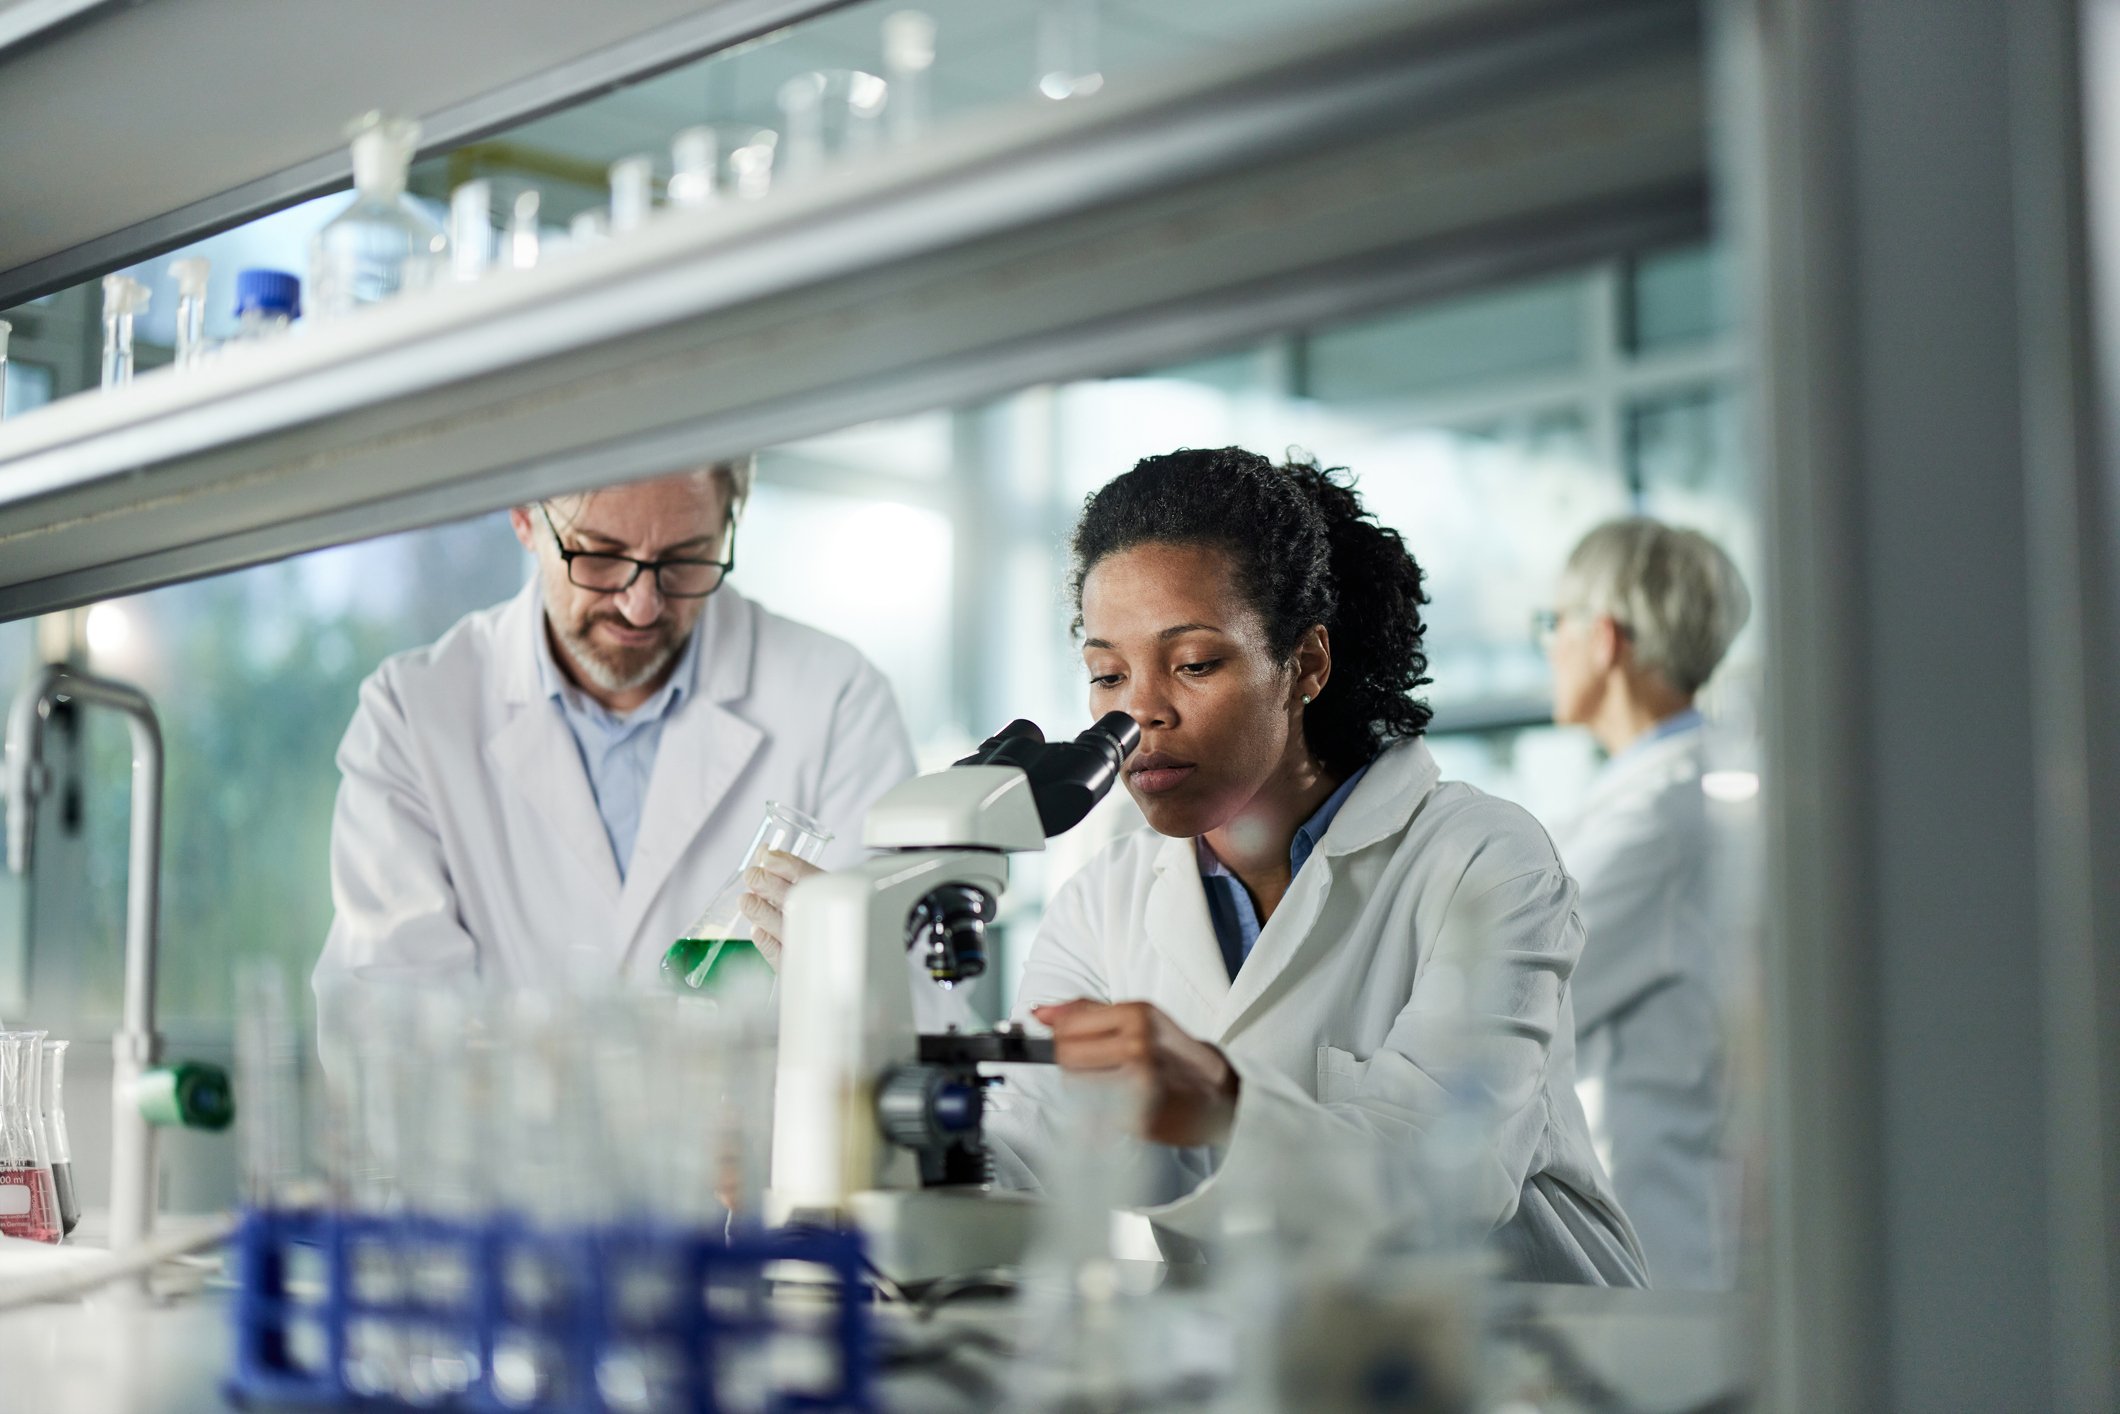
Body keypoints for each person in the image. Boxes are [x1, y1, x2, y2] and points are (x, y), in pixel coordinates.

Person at [748, 447, 1644, 1284]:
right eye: (1106, 676)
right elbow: (1030, 1151)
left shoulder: (1481, 858)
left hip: (1535, 1351)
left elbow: (1453, 1183)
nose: (1141, 716)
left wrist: (1222, 1099)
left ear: (1306, 663)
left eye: (1194, 663)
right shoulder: (1107, 900)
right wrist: (860, 1023)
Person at [314, 462, 916, 1047]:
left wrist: (831, 981)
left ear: (731, 522)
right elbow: (384, 1030)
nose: (641, 606)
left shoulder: (837, 701)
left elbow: (911, 1009)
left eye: (684, 559)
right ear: (525, 517)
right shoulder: (412, 716)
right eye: (598, 556)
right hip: (518, 1148)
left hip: (754, 1145)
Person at [1538, 517, 1752, 1290]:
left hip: (1655, 1219)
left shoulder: (1661, 816)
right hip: (1667, 1205)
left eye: (1553, 623)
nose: (1548, 646)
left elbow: (1526, 977)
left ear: (1603, 640)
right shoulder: (1673, 789)